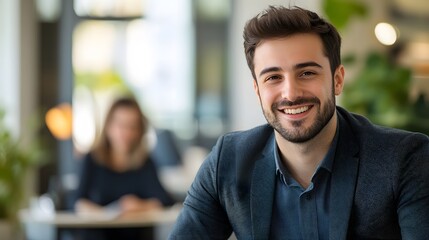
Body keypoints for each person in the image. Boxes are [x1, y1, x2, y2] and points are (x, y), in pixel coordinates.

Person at [169, 6, 429, 240]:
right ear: (258, 89)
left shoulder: (403, 158)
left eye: (306, 73)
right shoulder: (228, 160)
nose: (291, 93)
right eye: (273, 77)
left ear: (337, 80)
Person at [74, 97, 176, 240]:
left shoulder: (145, 162)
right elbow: (78, 202)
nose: (126, 133)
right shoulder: (92, 160)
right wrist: (103, 214)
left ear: (140, 130)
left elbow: (164, 200)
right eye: (120, 125)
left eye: (132, 126)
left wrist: (140, 206)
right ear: (108, 126)